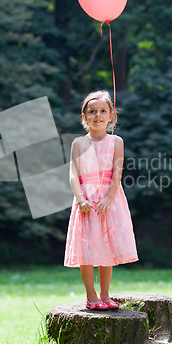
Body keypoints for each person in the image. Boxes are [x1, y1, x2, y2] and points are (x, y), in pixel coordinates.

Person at [64, 90, 138, 310]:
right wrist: (80, 198)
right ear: (84, 116)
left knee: (107, 246)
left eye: (103, 111)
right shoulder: (78, 143)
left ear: (111, 115)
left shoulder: (116, 142)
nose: (98, 115)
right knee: (86, 248)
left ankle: (105, 295)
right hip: (86, 201)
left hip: (108, 200)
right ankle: (91, 296)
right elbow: (72, 174)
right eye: (92, 111)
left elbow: (117, 173)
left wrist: (108, 198)